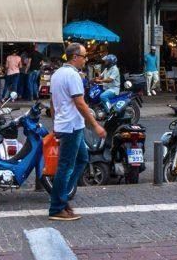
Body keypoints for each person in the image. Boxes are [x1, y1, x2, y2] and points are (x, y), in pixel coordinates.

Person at [48, 42, 105, 221]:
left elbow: (52, 101)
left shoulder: (57, 74)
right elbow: (80, 103)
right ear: (75, 57)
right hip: (72, 126)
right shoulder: (73, 76)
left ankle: (63, 199)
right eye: (84, 56)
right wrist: (95, 125)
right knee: (65, 166)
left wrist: (56, 122)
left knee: (82, 159)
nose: (85, 60)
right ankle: (57, 206)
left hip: (68, 125)